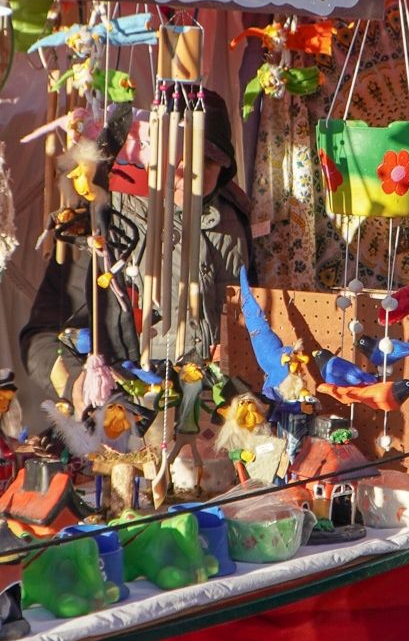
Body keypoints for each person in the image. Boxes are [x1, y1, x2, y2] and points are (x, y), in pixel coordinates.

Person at [20, 89, 255, 415]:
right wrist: (77, 383)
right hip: (129, 416)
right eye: (182, 156)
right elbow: (41, 339)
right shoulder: (108, 224)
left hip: (218, 418)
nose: (193, 171)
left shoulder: (235, 219)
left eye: (208, 160)